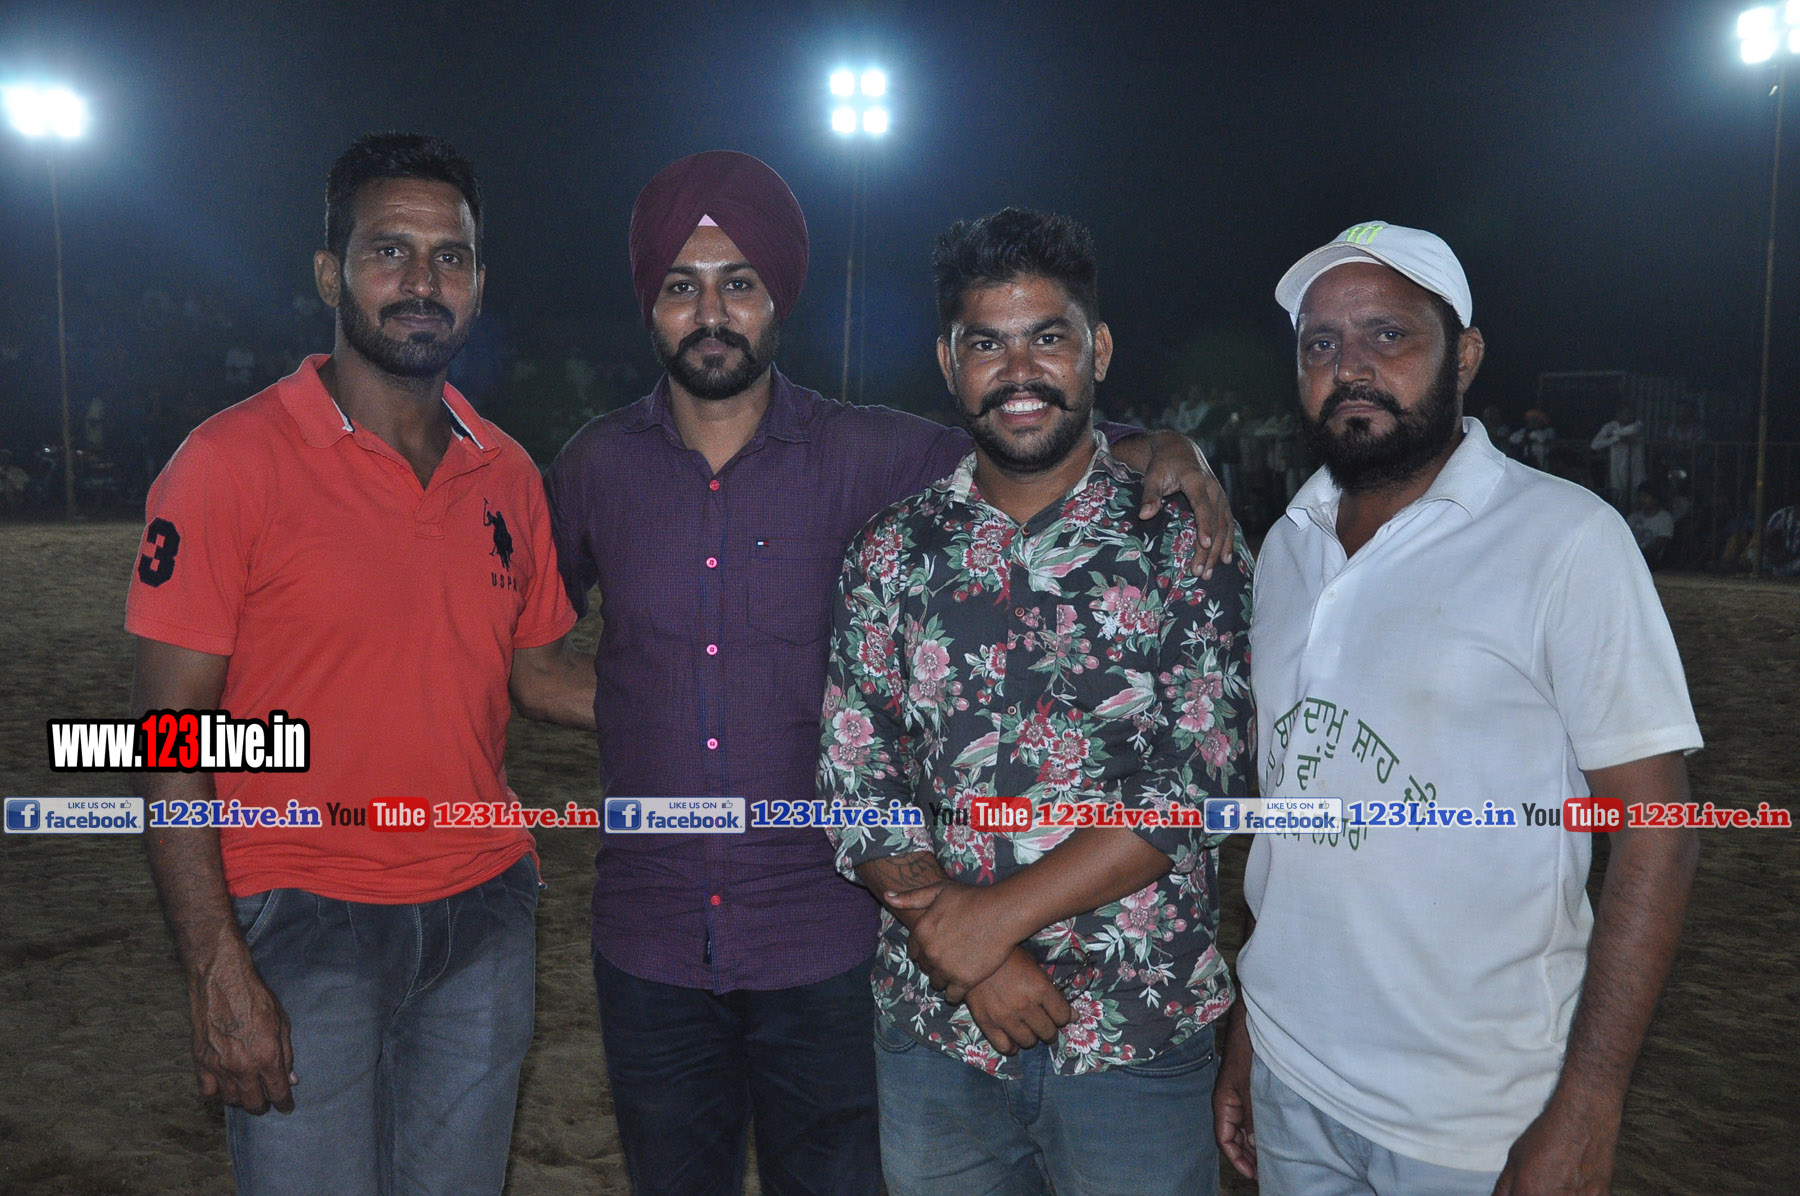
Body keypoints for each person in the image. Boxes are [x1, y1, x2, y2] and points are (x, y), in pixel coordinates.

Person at [543, 153, 1233, 1196]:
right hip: (656, 937)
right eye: (681, 284)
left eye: (740, 282)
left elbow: (1031, 430)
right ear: (650, 301)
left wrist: (1171, 443)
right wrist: (658, 705)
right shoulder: (595, 466)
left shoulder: (874, 456)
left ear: (780, 297)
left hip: (833, 945)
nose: (712, 311)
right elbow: (531, 659)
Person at [128, 132, 596, 1196]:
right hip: (299, 916)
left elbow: (542, 676)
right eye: (390, 251)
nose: (423, 281)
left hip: (485, 913)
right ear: (329, 273)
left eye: (450, 256)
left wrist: (733, 699)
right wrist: (215, 963)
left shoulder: (508, 472)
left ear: (478, 282)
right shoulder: (226, 463)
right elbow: (165, 738)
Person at [1215, 222, 1703, 1196]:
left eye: (1388, 334)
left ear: (1465, 356)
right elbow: (1296, 818)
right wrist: (1250, 1027)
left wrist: (1590, 1099)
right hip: (1291, 1076)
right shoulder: (1287, 547)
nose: (1350, 366)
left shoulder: (1565, 539)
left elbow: (1661, 832)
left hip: (1476, 1116)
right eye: (1321, 343)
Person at [818, 207, 1252, 1196]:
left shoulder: (1187, 544)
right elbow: (857, 778)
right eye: (988, 344)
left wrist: (991, 924)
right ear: (949, 362)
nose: (1020, 371)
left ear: (1099, 350)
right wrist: (972, 952)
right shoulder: (890, 551)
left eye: (1048, 337)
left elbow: (1196, 785)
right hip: (936, 1035)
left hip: (1137, 1038)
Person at [1590, 403, 1646, 512]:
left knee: (1636, 496)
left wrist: (1613, 435)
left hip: (1635, 467)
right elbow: (1594, 445)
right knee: (1618, 496)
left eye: (1631, 413)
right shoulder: (1611, 426)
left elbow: (1629, 431)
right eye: (1625, 413)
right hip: (1617, 467)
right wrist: (1616, 439)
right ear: (1618, 414)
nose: (1628, 416)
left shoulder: (1638, 425)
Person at [1627, 485, 1675, 567]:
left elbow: (1660, 543)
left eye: (1645, 496)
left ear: (1655, 499)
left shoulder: (1665, 518)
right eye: (1640, 496)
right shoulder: (1632, 517)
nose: (1641, 499)